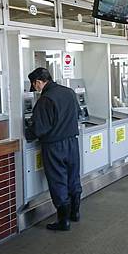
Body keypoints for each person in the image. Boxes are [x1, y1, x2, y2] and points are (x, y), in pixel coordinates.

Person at [25, 68, 82, 231]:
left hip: (54, 146)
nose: (35, 89)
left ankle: (63, 221)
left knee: (58, 180)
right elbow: (78, 113)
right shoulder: (69, 92)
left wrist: (27, 132)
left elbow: (39, 128)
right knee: (73, 177)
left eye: (34, 85)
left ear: (38, 82)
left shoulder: (46, 99)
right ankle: (75, 213)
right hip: (72, 143)